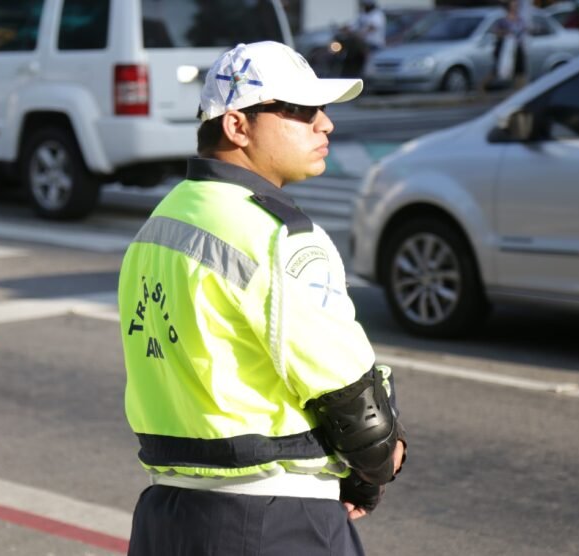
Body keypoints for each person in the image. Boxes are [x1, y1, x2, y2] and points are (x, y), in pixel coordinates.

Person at [119, 41, 406, 555]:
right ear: (237, 126)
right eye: (299, 111)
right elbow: (352, 400)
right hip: (272, 519)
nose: (325, 124)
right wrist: (377, 466)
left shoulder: (158, 225)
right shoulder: (277, 236)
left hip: (168, 515)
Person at [487, 0, 528, 92]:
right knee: (498, 71)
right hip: (506, 48)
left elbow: (524, 31)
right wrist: (506, 33)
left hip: (517, 47)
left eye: (516, 5)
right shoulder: (504, 20)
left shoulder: (520, 19)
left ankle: (520, 92)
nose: (515, 7)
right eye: (513, 5)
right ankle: (482, 88)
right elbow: (495, 31)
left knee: (520, 71)